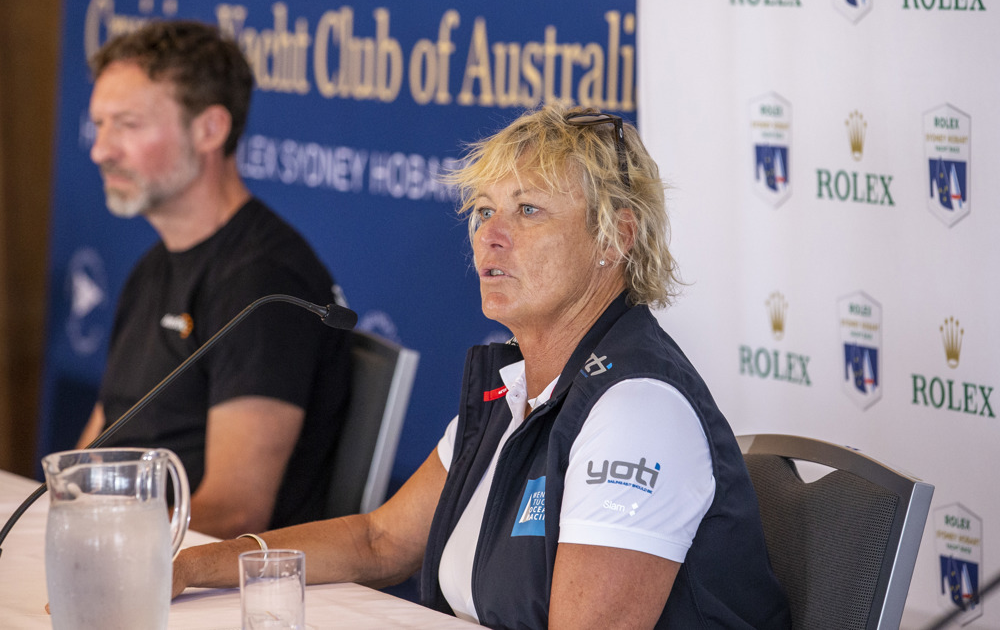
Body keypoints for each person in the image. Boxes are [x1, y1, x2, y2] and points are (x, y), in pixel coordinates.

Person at [171, 106, 790, 628]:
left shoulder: (637, 410)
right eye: (483, 210)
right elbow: (380, 542)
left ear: (614, 238)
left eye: (528, 210)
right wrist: (188, 566)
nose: (490, 235)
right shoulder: (518, 386)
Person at [76, 20, 351, 539]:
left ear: (210, 130)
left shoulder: (264, 283)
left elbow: (234, 511)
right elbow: (97, 445)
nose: (101, 150)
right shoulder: (154, 264)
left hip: (202, 576)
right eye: (99, 125)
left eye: (128, 125)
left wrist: (100, 540)